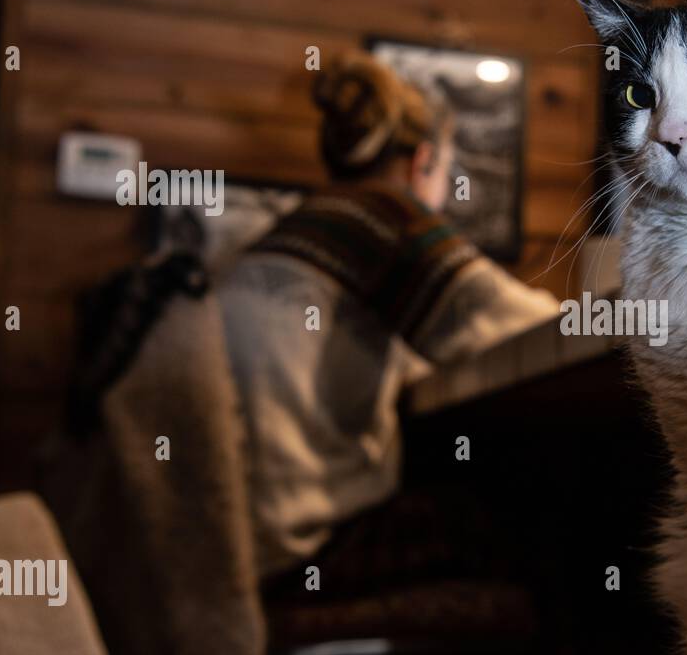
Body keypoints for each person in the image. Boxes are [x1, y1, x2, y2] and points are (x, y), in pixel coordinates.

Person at [216, 52, 558, 580]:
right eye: (448, 169)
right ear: (424, 161)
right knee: (534, 517)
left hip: (226, 539)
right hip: (297, 548)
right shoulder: (388, 218)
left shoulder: (292, 230)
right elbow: (524, 328)